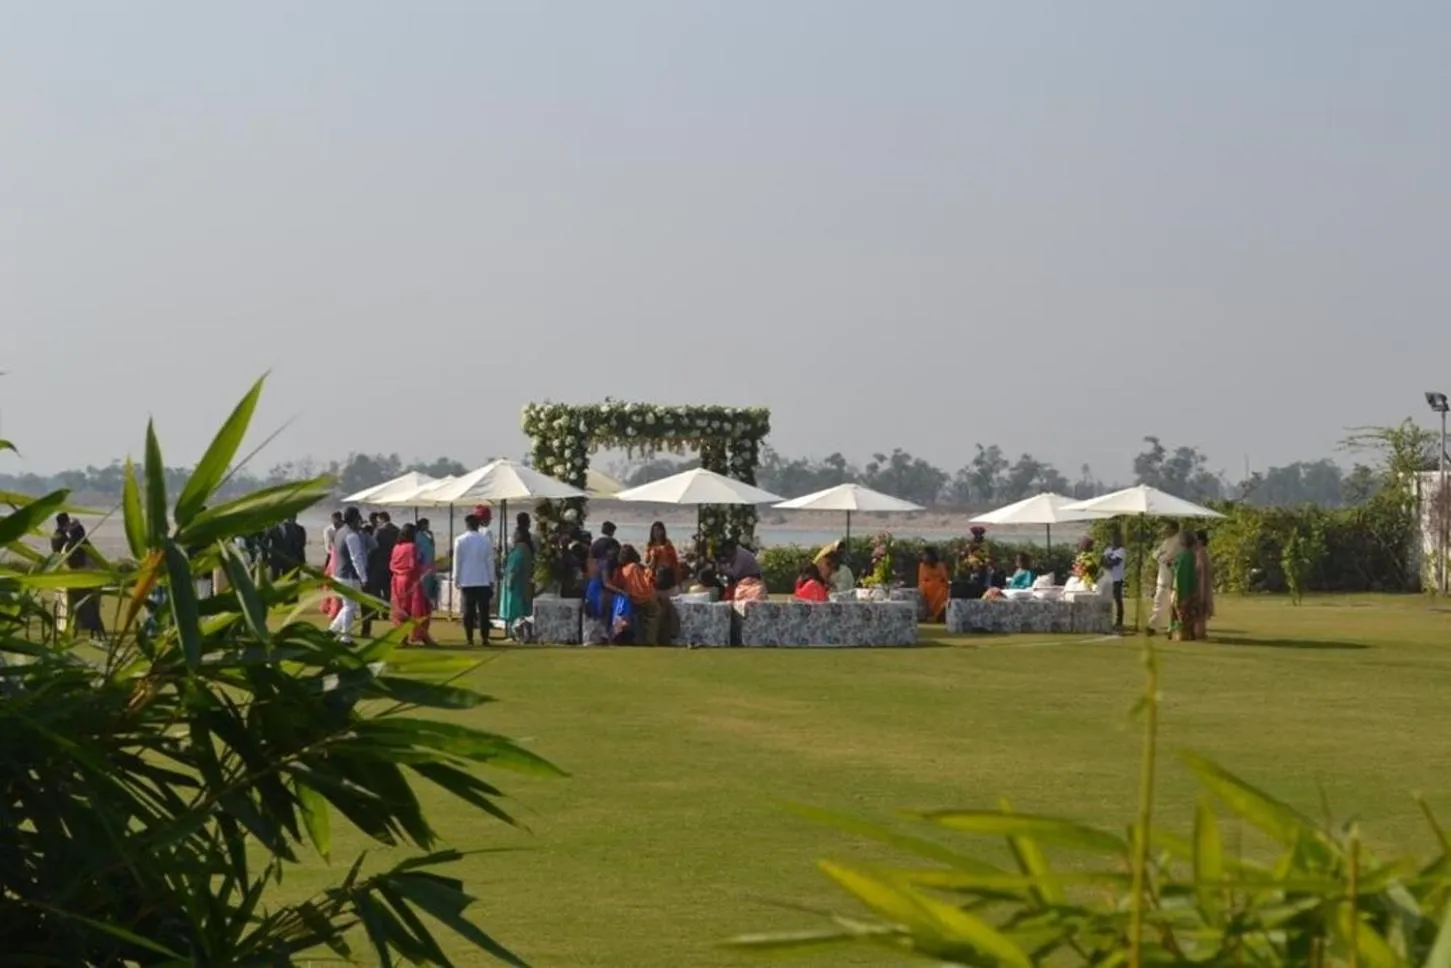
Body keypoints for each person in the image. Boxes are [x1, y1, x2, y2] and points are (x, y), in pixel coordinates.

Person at [453, 512, 496, 646]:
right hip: (482, 579)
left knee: (468, 611)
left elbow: (457, 562)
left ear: (467, 525)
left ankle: (469, 637)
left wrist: (456, 578)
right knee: (484, 611)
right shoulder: (485, 540)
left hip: (467, 580)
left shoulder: (460, 540)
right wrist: (491, 579)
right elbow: (490, 561)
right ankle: (484, 638)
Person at [327, 507, 370, 643]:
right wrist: (363, 577)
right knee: (350, 607)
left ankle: (333, 629)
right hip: (349, 576)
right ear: (355, 519)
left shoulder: (340, 532)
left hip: (339, 573)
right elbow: (356, 558)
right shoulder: (352, 535)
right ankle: (345, 638)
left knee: (347, 605)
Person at [388, 523, 434, 645]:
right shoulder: (412, 547)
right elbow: (414, 565)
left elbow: (391, 564)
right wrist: (425, 567)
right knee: (421, 609)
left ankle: (402, 637)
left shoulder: (396, 547)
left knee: (401, 609)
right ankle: (423, 636)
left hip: (397, 581)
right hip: (411, 581)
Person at [616, 544, 662, 643]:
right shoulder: (633, 567)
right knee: (656, 613)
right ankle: (651, 640)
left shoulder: (622, 569)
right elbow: (640, 586)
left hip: (630, 599)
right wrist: (651, 594)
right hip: (639, 598)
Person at [499, 528, 535, 639]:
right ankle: (518, 632)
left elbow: (514, 567)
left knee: (514, 609)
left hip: (516, 584)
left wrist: (510, 580)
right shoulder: (525, 550)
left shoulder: (520, 551)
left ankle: (515, 633)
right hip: (522, 583)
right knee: (520, 608)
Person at [1147, 521, 1181, 636]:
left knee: (1169, 604)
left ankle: (1165, 627)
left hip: (1170, 578)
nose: (1165, 531)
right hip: (1163, 577)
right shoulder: (1166, 541)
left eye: (1167, 528)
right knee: (1161, 602)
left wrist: (1160, 556)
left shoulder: (1177, 541)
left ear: (1174, 529)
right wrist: (1160, 555)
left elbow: (1167, 557)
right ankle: (1157, 626)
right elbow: (1155, 554)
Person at [1170, 530, 1200, 641]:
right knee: (1186, 614)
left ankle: (1182, 634)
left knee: (1182, 614)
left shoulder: (1185, 557)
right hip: (1187, 590)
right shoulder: (1189, 556)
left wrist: (1180, 593)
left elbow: (1181, 576)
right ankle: (1185, 634)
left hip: (1181, 590)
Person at [719, 538, 768, 602]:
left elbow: (735, 574)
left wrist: (723, 568)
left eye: (726, 551)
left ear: (729, 549)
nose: (726, 553)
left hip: (752, 583)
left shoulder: (741, 556)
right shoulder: (736, 553)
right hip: (746, 583)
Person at [1103, 526, 1128, 630]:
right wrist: (1107, 562)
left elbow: (1114, 563)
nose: (1114, 540)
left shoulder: (1122, 550)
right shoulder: (1108, 549)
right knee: (1106, 600)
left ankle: (1119, 621)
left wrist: (1108, 561)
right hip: (1107, 578)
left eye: (1116, 538)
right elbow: (1103, 562)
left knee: (1117, 600)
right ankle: (1107, 619)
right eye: (1113, 538)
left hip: (1117, 579)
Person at [917, 546, 951, 622]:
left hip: (939, 586)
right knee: (922, 590)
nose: (923, 556)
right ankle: (929, 614)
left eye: (925, 554)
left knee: (943, 591)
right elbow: (921, 579)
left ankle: (937, 615)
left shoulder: (940, 565)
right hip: (926, 587)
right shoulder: (922, 565)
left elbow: (945, 579)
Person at [645, 521, 680, 589]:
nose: (656, 533)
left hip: (666, 575)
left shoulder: (668, 546)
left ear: (663, 531)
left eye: (658, 530)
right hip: (653, 575)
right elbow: (648, 564)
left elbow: (674, 563)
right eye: (654, 531)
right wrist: (653, 557)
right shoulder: (650, 546)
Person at [415, 518, 440, 614]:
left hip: (430, 564)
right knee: (424, 585)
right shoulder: (417, 536)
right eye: (426, 525)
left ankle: (427, 604)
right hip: (423, 564)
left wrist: (432, 536)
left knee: (429, 585)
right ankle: (422, 604)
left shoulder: (426, 536)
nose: (427, 527)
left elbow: (432, 546)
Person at [1194, 529, 1215, 639]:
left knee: (1200, 608)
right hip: (1202, 583)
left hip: (1201, 584)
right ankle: (1199, 631)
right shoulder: (1200, 552)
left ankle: (1199, 632)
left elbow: (1200, 570)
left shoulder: (1201, 553)